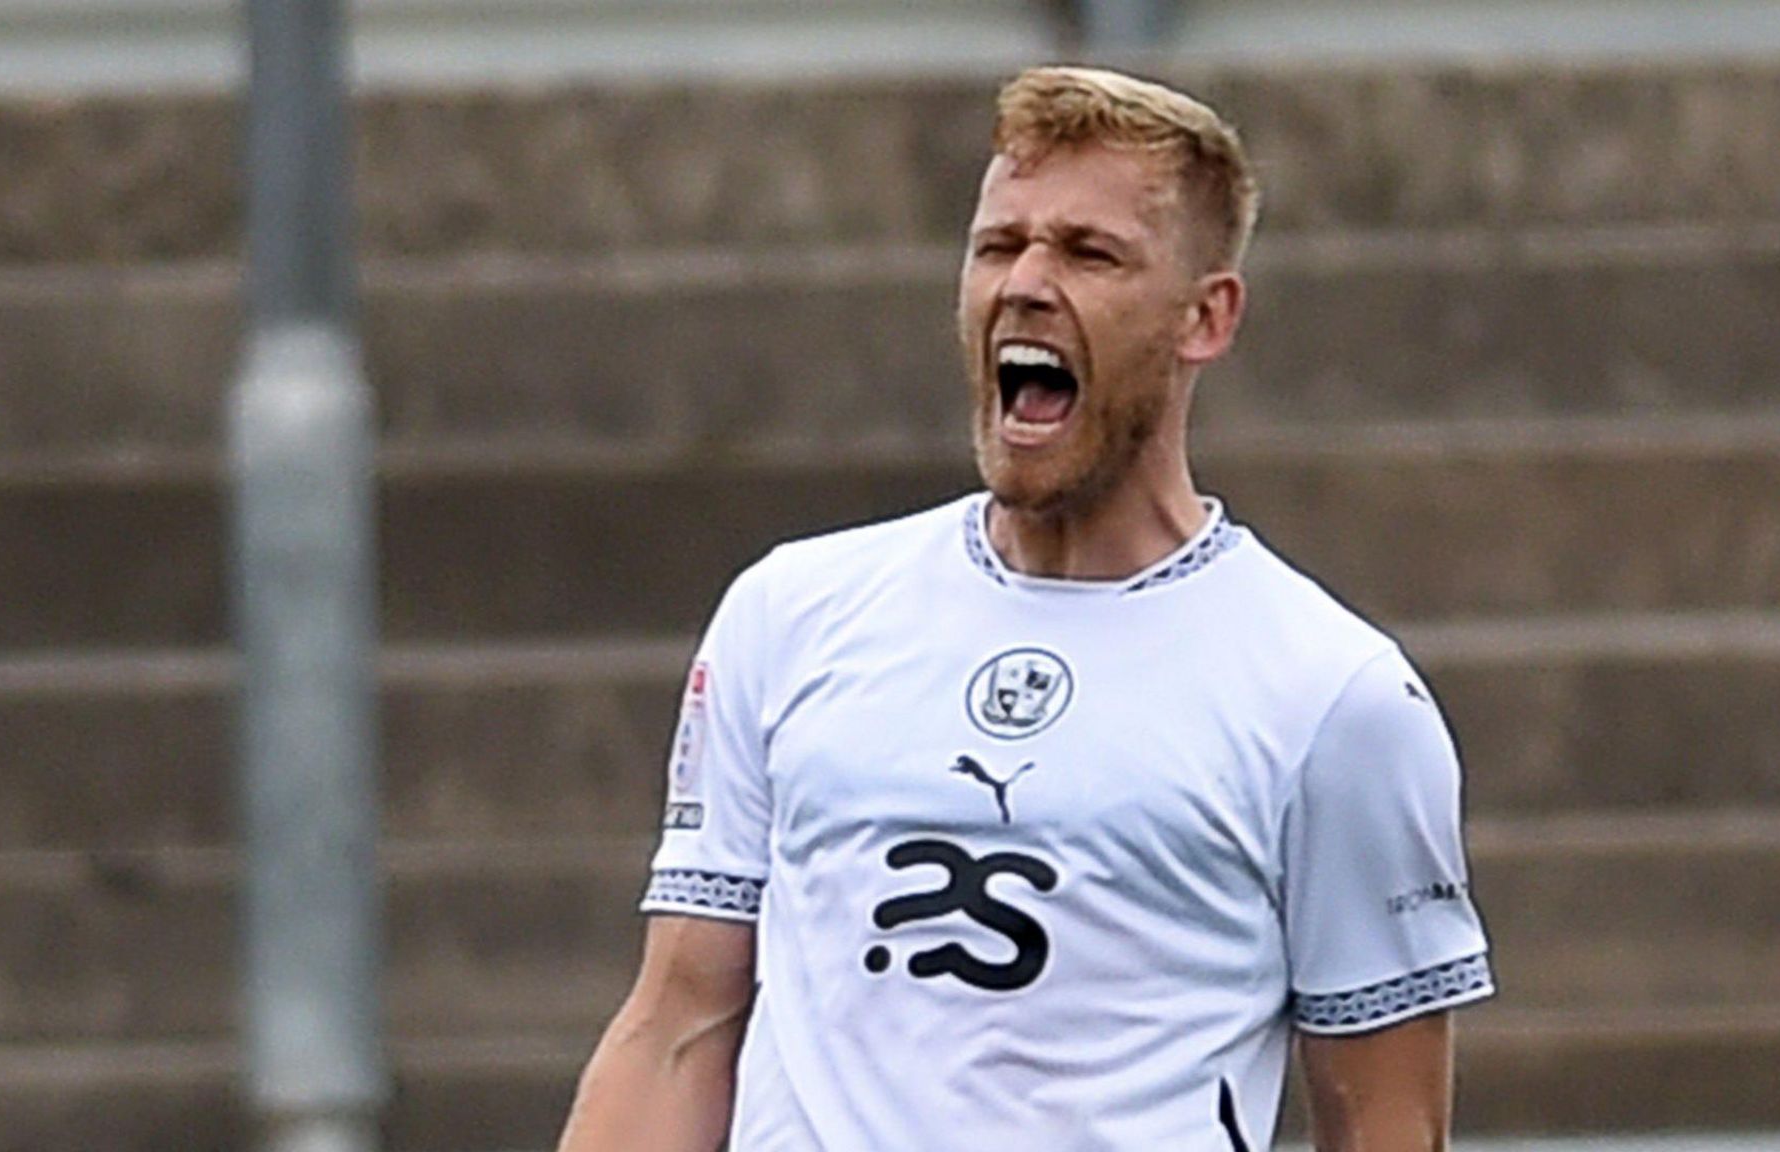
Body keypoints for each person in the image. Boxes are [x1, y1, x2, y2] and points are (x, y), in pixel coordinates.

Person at [554, 65, 1493, 1152]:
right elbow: (679, 1025)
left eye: (1089, 254)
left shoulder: (1333, 696)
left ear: (1205, 316)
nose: (1026, 284)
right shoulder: (791, 613)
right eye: (999, 246)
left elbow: (1388, 1123)